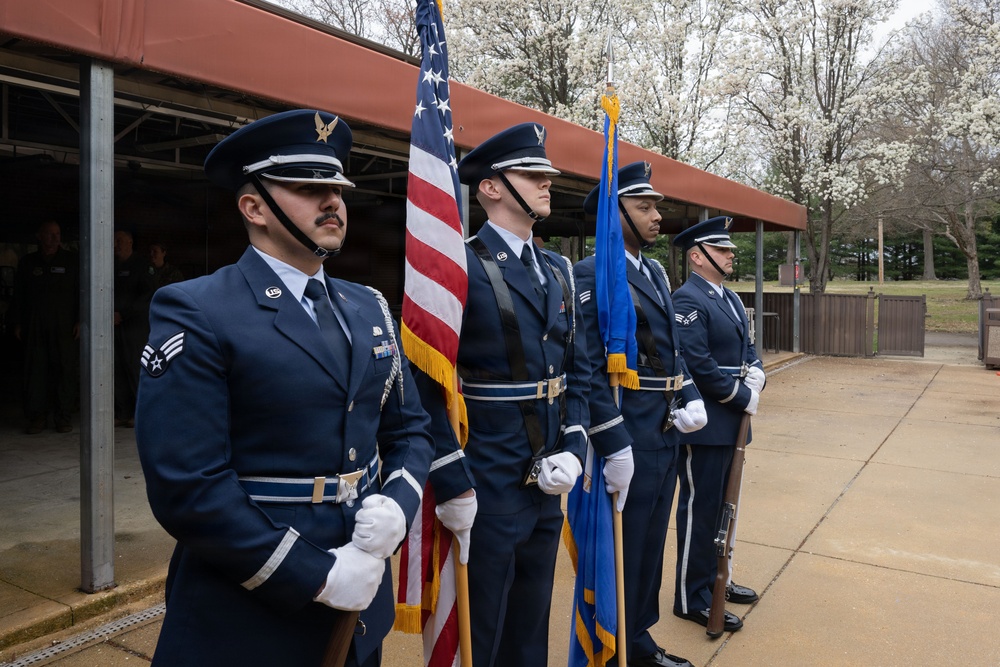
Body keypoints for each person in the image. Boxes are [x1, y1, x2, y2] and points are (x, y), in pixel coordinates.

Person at [134, 109, 438, 667]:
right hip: (249, 614)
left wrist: (398, 505)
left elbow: (410, 430)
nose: (333, 202)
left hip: (359, 600)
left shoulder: (368, 306)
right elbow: (188, 486)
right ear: (254, 208)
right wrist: (317, 574)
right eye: (308, 188)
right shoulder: (198, 310)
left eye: (337, 189)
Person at [424, 122, 596, 667]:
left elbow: (577, 370)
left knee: (530, 619)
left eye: (547, 174)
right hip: (487, 475)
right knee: (484, 625)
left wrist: (575, 447)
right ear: (491, 187)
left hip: (548, 473)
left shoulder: (557, 269)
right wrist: (451, 480)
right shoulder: (459, 267)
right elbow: (427, 387)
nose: (547, 183)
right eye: (532, 174)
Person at [575, 162, 707, 667]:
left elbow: (672, 351)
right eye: (644, 206)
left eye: (656, 207)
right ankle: (616, 647)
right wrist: (613, 441)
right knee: (625, 546)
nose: (657, 216)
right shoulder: (591, 274)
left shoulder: (652, 271)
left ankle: (638, 636)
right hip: (628, 427)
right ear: (614, 214)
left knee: (650, 543)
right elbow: (588, 367)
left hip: (663, 426)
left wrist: (689, 394)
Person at [670, 216, 765, 633]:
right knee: (701, 510)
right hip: (707, 422)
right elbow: (697, 362)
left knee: (725, 509)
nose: (730, 255)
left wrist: (757, 372)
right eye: (721, 249)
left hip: (732, 421)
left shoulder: (728, 297)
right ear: (697, 256)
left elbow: (747, 347)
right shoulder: (688, 299)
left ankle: (715, 581)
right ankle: (691, 596)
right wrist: (742, 396)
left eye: (729, 249)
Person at [13, 220, 79, 434]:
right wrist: (17, 322)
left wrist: (81, 320)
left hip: (64, 325)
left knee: (64, 370)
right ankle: (37, 416)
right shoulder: (28, 262)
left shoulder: (72, 261)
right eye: (50, 234)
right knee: (36, 370)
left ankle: (63, 417)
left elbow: (82, 292)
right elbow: (19, 295)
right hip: (35, 324)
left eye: (57, 233)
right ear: (39, 236)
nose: (55, 237)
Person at [113, 228, 155, 427]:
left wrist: (124, 314)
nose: (115, 244)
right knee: (117, 367)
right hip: (114, 326)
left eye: (119, 240)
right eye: (114, 241)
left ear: (130, 242)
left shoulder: (143, 265)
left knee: (134, 367)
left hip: (135, 327)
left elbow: (147, 296)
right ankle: (122, 412)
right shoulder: (111, 264)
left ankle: (139, 413)